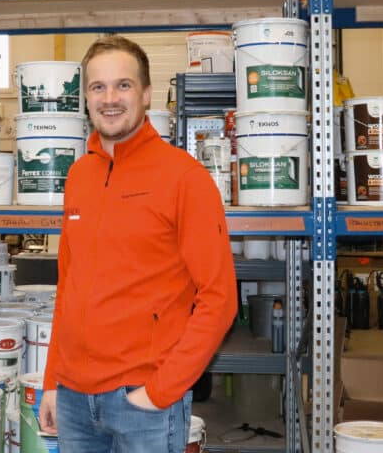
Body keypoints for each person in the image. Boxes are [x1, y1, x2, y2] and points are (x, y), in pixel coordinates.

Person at [38, 35, 238, 453]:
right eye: (98, 87)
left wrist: (161, 390)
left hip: (143, 402)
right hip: (73, 399)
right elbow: (68, 286)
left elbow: (219, 299)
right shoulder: (79, 176)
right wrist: (53, 380)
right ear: (86, 98)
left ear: (146, 94)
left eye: (123, 85)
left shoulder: (184, 178)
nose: (110, 98)